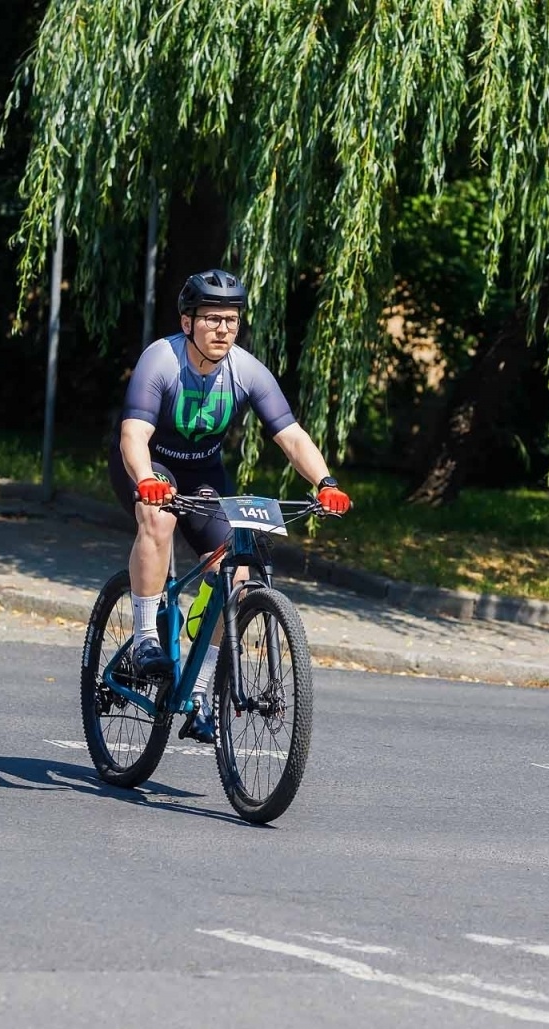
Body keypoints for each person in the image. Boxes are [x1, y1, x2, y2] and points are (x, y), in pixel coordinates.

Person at [112, 268, 351, 741]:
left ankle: (200, 694)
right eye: (212, 319)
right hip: (150, 465)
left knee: (236, 574)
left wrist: (326, 482)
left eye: (232, 320)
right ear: (187, 323)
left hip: (203, 475)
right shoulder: (160, 361)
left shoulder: (246, 370)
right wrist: (145, 479)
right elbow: (133, 434)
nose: (223, 329)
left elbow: (291, 436)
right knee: (157, 521)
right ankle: (143, 640)